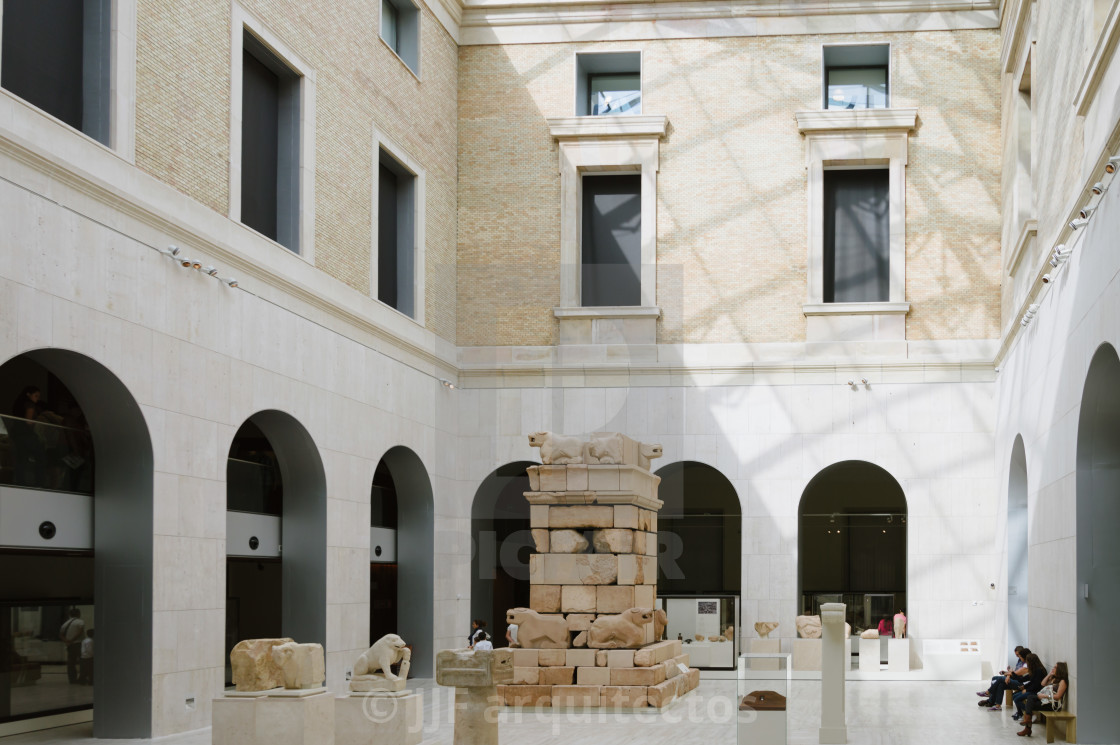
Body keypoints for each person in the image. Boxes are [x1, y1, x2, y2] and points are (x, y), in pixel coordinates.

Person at [1018, 661, 1069, 737]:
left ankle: (1028, 726)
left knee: (1030, 701)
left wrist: (1045, 696)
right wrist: (1049, 675)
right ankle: (1028, 722)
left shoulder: (1063, 681)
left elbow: (1058, 696)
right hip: (1046, 701)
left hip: (1053, 705)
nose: (1053, 669)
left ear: (1060, 669)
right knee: (1030, 699)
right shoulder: (1053, 679)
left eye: (1055, 667)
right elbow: (1042, 683)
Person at [1011, 653, 1048, 720]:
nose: (1026, 663)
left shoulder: (1039, 670)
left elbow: (1036, 685)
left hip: (1036, 692)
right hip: (1032, 689)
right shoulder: (1034, 670)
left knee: (1017, 699)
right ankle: (1020, 714)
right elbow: (1023, 679)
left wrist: (1026, 689)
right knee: (1014, 696)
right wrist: (1012, 673)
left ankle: (1030, 713)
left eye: (1027, 661)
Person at [59, 608, 86, 684]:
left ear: (69, 614)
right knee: (82, 662)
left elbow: (61, 635)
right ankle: (82, 679)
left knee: (71, 663)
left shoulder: (65, 623)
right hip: (79, 644)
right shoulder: (80, 621)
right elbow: (80, 631)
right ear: (79, 614)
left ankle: (72, 679)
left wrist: (67, 641)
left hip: (70, 645)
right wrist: (72, 640)